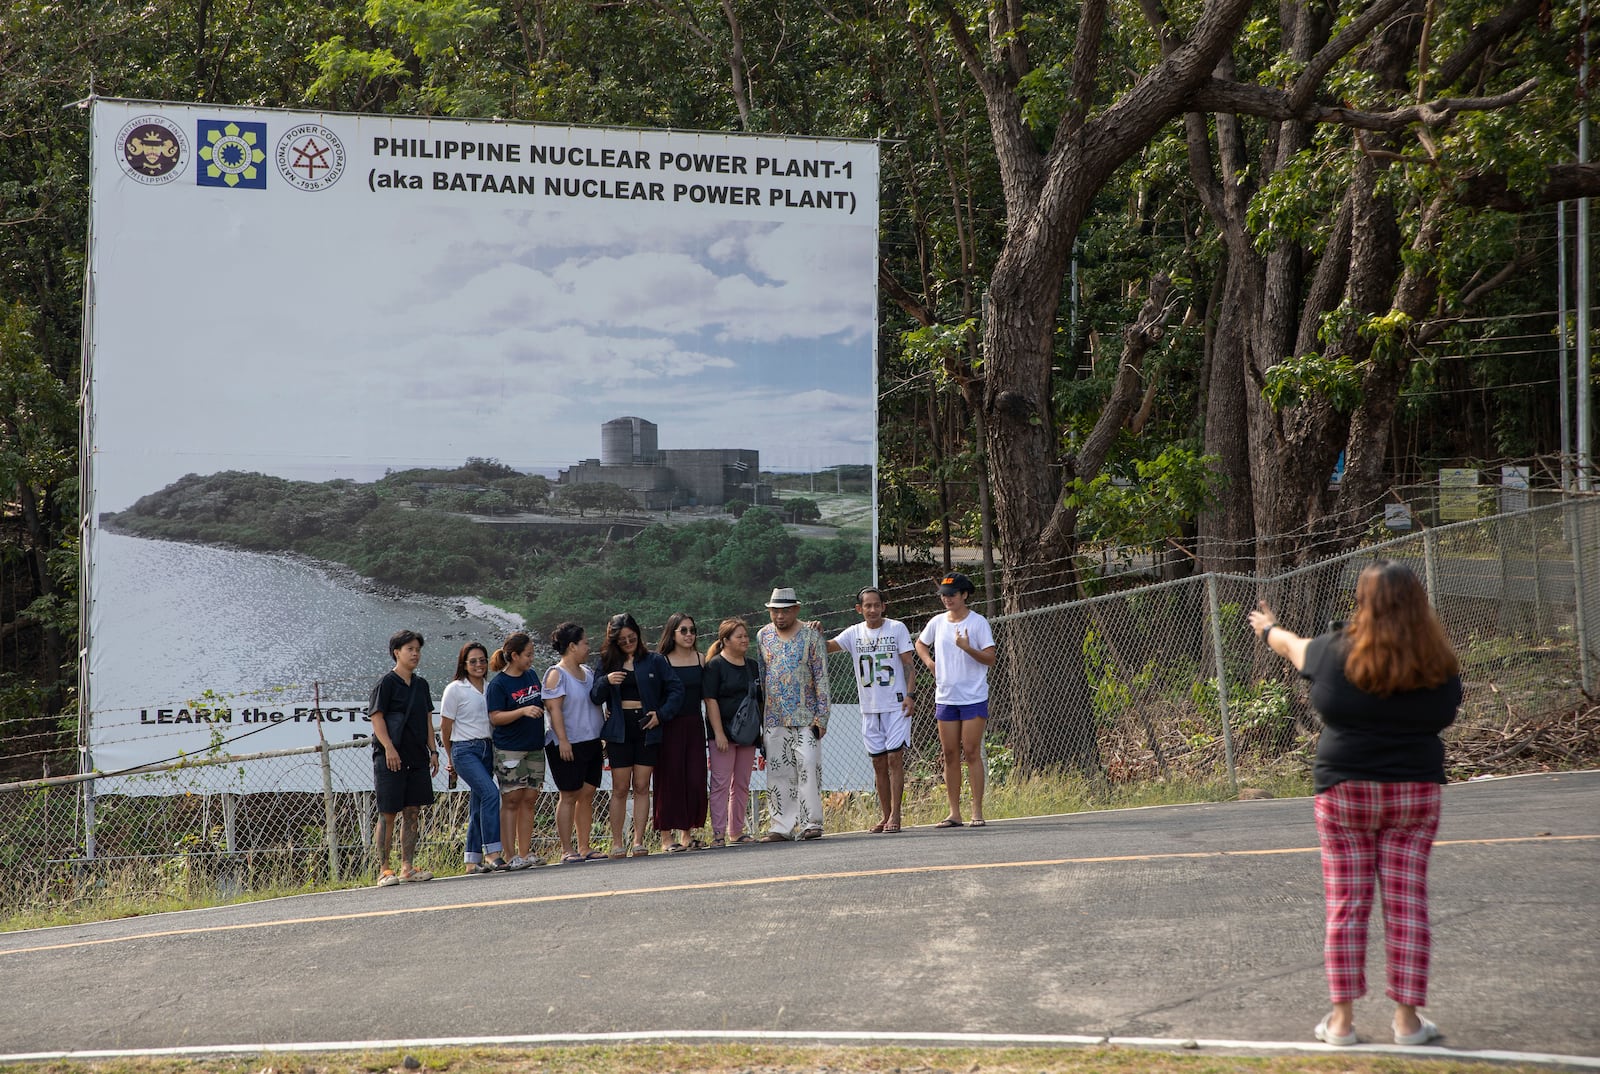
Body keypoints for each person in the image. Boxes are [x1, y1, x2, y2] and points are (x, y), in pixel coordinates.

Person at [1249, 560, 1461, 1048]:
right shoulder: (1438, 662)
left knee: (1346, 905)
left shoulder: (1333, 651)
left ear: (1363, 602)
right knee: (1408, 905)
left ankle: (1341, 1023)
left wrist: (1269, 629)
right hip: (1414, 793)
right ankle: (1407, 1023)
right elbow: (1446, 712)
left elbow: (1291, 647)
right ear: (1417, 603)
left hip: (1344, 793)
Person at [590, 612, 683, 857]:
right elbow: (594, 696)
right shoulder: (606, 662)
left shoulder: (654, 660)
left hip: (647, 727)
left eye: (632, 638)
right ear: (614, 642)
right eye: (623, 641)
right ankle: (617, 842)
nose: (629, 643)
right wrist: (607, 681)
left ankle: (639, 841)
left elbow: (676, 689)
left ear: (638, 635)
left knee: (642, 786)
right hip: (619, 730)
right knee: (620, 788)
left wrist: (660, 715)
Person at [825, 587, 916, 834]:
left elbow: (908, 664)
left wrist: (910, 695)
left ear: (883, 606)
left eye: (877, 605)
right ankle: (885, 815)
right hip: (869, 707)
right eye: (868, 606)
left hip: (895, 704)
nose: (873, 610)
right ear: (859, 609)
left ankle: (896, 814)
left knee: (894, 758)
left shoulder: (896, 629)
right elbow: (827, 647)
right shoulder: (854, 633)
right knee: (877, 762)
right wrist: (807, 631)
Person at [915, 572, 996, 828]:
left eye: (952, 595)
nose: (947, 599)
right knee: (950, 753)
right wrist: (930, 662)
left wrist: (967, 648)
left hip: (972, 696)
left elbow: (990, 658)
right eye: (943, 595)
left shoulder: (978, 622)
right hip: (946, 696)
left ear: (964, 595)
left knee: (971, 751)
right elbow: (920, 643)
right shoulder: (937, 622)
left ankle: (977, 810)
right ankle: (954, 813)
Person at [756, 587, 830, 841]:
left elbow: (821, 677)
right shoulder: (762, 636)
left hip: (806, 716)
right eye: (774, 611)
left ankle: (812, 823)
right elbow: (762, 677)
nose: (779, 616)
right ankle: (781, 826)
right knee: (778, 772)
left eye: (785, 610)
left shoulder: (811, 636)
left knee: (808, 766)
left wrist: (823, 716)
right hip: (774, 717)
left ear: (796, 609)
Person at [366, 628, 439, 886]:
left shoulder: (421, 685)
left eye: (418, 649)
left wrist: (433, 750)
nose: (415, 654)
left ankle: (407, 867)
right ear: (397, 652)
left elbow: (428, 719)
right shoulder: (386, 683)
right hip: (390, 757)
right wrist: (389, 748)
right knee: (388, 813)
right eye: (410, 649)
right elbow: (377, 718)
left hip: (417, 756)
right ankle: (385, 869)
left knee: (412, 811)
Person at [542, 622, 608, 863]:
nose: (588, 647)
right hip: (567, 743)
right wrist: (563, 741)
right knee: (568, 794)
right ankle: (566, 848)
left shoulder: (588, 673)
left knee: (587, 793)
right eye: (585, 643)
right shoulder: (556, 674)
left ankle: (584, 846)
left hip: (591, 741)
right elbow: (554, 710)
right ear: (571, 646)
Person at [439, 641, 508, 873]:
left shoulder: (491, 687)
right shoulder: (455, 688)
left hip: (488, 748)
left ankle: (471, 860)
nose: (479, 665)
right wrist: (450, 759)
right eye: (473, 661)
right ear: (464, 664)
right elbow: (445, 728)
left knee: (479, 803)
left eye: (482, 660)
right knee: (491, 793)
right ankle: (492, 852)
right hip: (464, 750)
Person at [486, 631, 547, 869]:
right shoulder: (499, 684)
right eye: (528, 654)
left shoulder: (531, 675)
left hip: (534, 746)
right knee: (511, 800)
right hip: (510, 749)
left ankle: (526, 851)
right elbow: (496, 717)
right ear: (514, 655)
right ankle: (510, 855)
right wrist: (522, 711)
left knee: (530, 799)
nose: (531, 659)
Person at [702, 618, 761, 847]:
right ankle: (718, 834)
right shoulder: (715, 666)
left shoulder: (753, 666)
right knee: (720, 784)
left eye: (746, 635)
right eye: (739, 636)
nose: (745, 640)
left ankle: (736, 831)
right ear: (725, 640)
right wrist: (719, 733)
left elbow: (759, 701)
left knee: (742, 783)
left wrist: (761, 732)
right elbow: (710, 700)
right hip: (723, 735)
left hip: (748, 736)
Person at [654, 613, 710, 851]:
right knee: (670, 779)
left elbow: (709, 696)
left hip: (695, 725)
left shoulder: (701, 659)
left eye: (692, 630)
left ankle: (687, 834)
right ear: (672, 633)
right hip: (669, 727)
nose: (689, 635)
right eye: (683, 630)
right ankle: (667, 838)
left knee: (694, 779)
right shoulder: (661, 661)